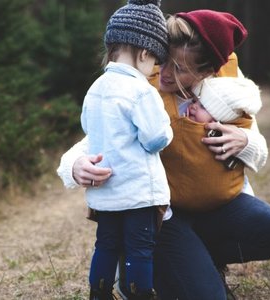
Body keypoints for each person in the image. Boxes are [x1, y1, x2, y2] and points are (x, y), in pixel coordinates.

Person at [57, 9, 270, 299]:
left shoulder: (227, 89)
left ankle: (193, 260)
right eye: (164, 61)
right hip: (161, 215)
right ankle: (139, 263)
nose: (166, 74)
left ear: (207, 71)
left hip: (216, 207)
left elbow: (258, 149)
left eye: (180, 69)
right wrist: (74, 165)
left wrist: (245, 141)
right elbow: (99, 136)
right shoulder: (141, 84)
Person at [81, 0, 172, 299]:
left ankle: (99, 292)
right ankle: (140, 294)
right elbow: (155, 138)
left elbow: (87, 126)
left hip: (106, 192)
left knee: (106, 244)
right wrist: (167, 128)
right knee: (139, 250)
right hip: (138, 193)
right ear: (144, 53)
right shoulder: (141, 90)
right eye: (154, 62)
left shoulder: (96, 87)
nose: (153, 70)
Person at [164, 76, 262, 211]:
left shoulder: (230, 127)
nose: (192, 106)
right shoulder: (175, 113)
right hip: (177, 203)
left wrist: (246, 141)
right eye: (194, 101)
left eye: (203, 107)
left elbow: (260, 156)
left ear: (219, 121)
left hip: (227, 200)